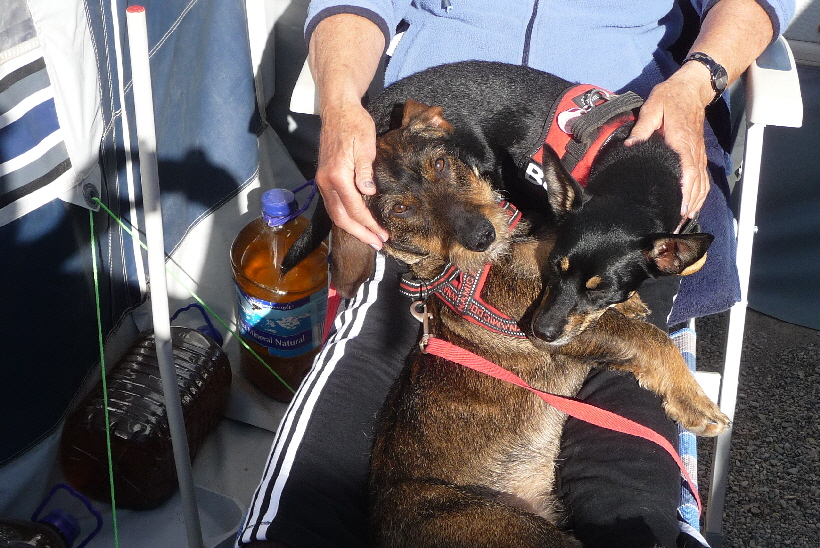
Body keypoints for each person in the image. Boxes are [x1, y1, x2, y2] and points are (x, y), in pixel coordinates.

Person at [237, 1, 794, 547]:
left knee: (629, 420)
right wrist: (339, 107)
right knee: (353, 391)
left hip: (616, 167)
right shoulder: (423, 143)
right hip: (429, 161)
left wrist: (699, 81)